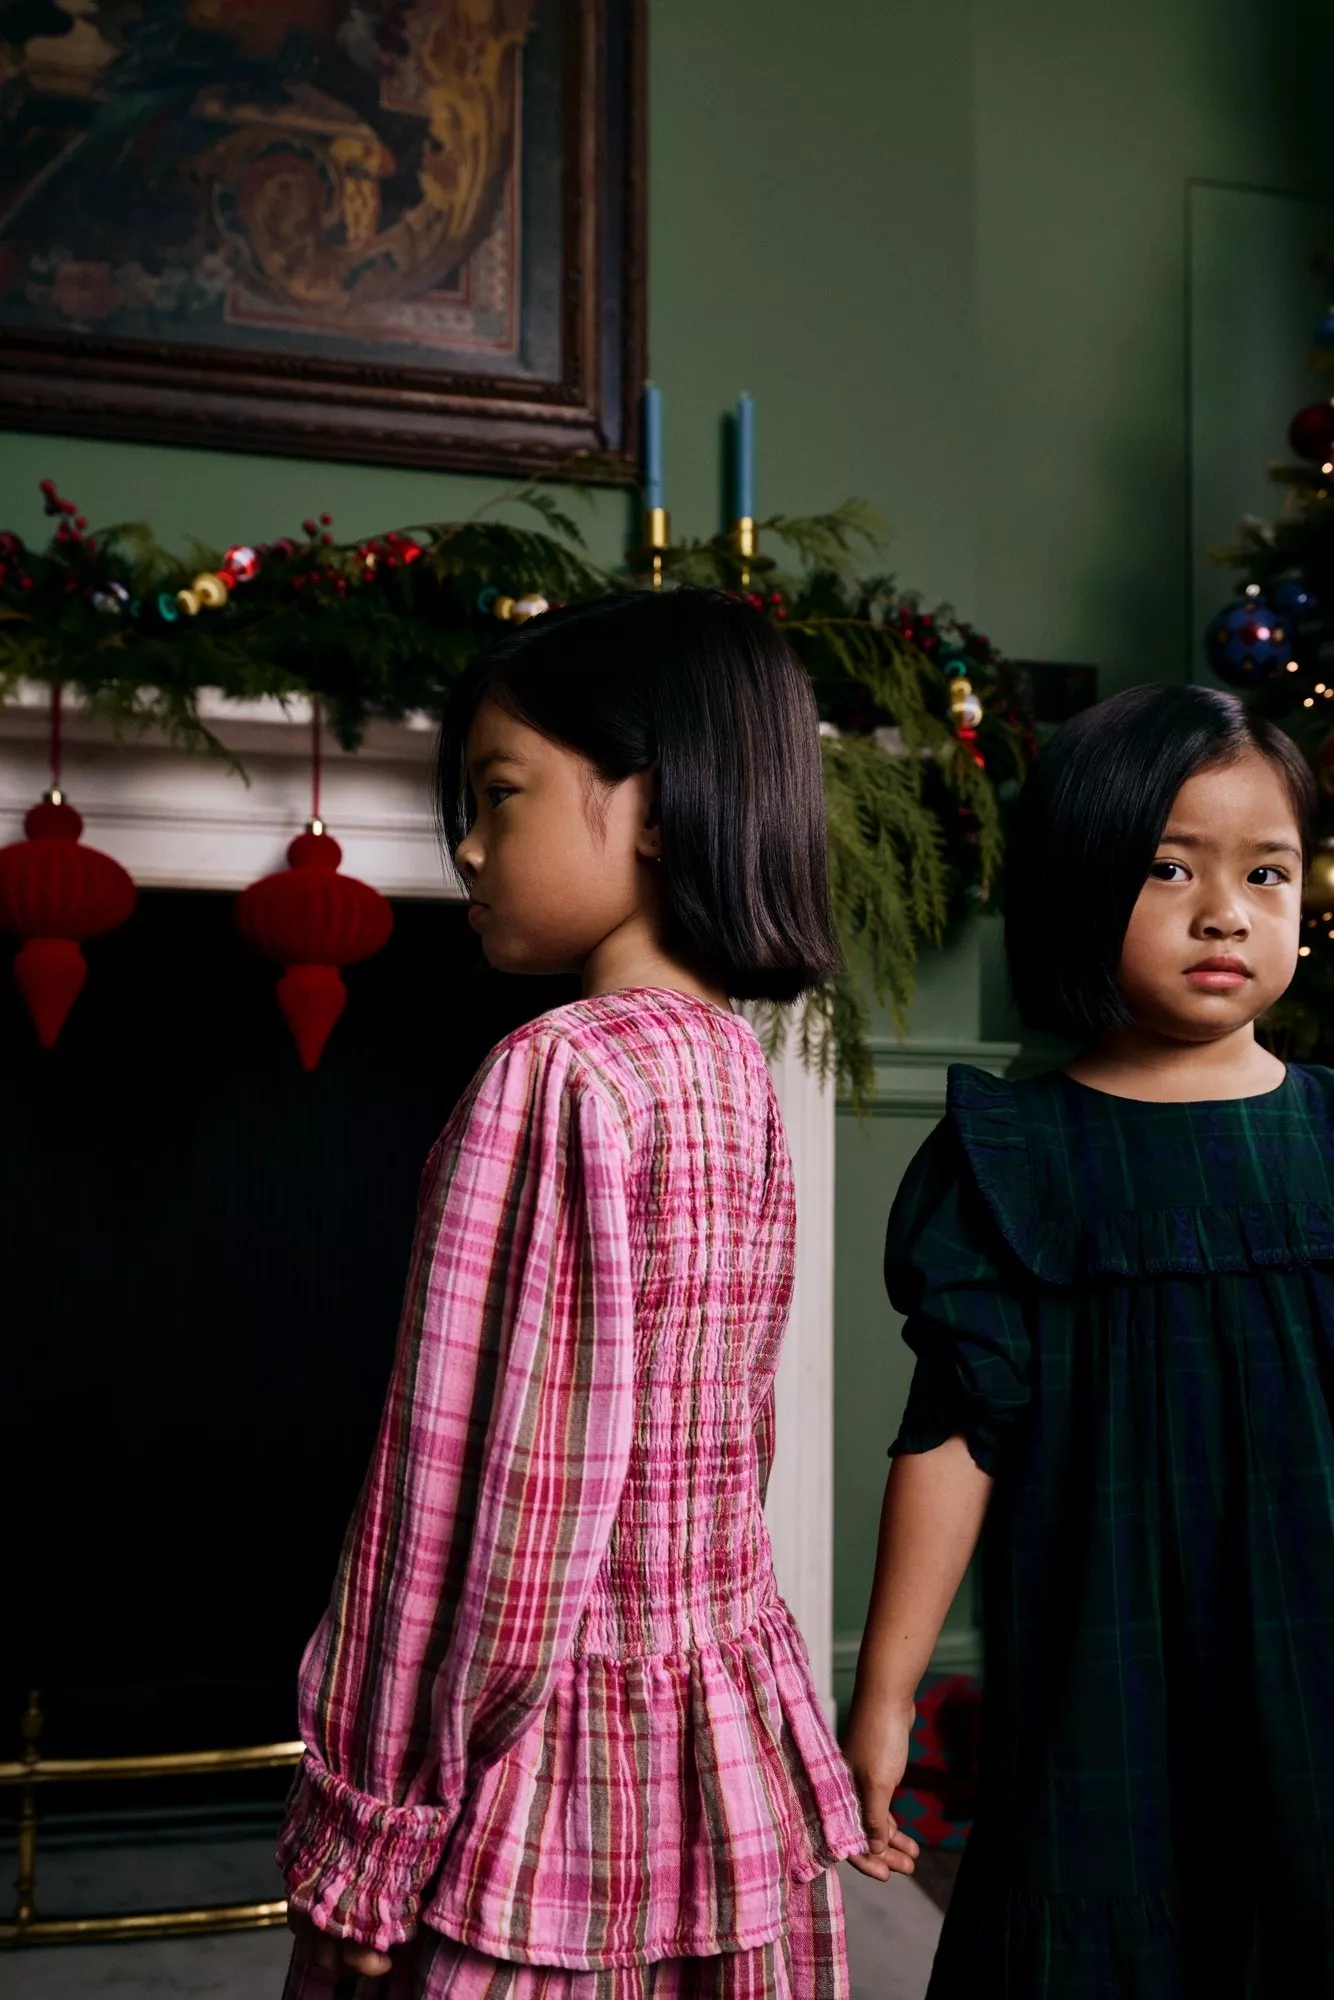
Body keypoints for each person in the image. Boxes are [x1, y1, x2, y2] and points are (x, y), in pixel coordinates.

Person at [277, 590, 912, 2000]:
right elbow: (728, 1454)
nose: (466, 844)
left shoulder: (559, 1076)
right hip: (712, 1716)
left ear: (661, 804)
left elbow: (464, 1516)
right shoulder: (732, 1071)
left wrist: (370, 1829)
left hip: (547, 1765)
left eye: (500, 795)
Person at [843, 683, 1334, 1995]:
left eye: (1265, 871)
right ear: (1075, 883)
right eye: (1168, 866)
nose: (1223, 908)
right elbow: (953, 1428)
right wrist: (884, 1689)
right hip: (1097, 1665)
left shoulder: (1333, 1136)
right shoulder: (1010, 1155)